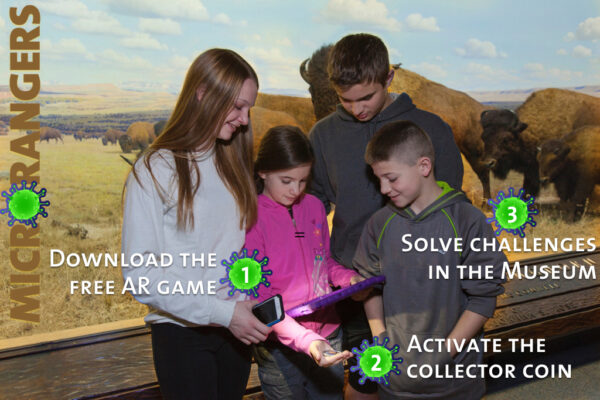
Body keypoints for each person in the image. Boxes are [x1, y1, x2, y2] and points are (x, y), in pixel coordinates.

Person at [308, 33, 464, 399]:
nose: (357, 109)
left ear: (389, 78)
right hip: (356, 287)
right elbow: (312, 207)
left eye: (367, 97)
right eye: (345, 100)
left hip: (424, 285)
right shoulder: (323, 134)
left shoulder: (432, 129)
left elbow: (453, 206)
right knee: (364, 384)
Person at [121, 48, 271, 400]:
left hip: (235, 331)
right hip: (182, 335)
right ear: (203, 93)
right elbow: (141, 276)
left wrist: (245, 305)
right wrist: (223, 312)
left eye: (248, 108)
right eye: (237, 107)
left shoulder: (231, 165)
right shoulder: (155, 169)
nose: (244, 120)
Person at [353, 120, 506, 399]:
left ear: (424, 166)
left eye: (392, 178)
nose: (384, 188)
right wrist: (380, 338)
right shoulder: (379, 223)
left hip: (455, 382)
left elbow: (483, 299)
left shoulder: (467, 221)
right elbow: (370, 288)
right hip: (394, 384)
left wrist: (443, 355)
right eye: (378, 179)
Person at [245, 125, 362, 400]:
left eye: (303, 181)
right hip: (279, 346)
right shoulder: (250, 218)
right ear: (263, 171)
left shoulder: (314, 207)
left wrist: (350, 279)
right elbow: (261, 301)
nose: (295, 190)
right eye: (286, 180)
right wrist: (309, 342)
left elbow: (325, 263)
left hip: (329, 333)